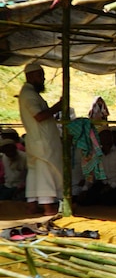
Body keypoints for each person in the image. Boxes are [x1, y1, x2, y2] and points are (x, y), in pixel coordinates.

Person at [18, 63, 64, 215]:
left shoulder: (29, 92)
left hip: (36, 141)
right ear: (29, 76)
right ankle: (47, 207)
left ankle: (32, 204)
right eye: (40, 76)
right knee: (45, 172)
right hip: (42, 142)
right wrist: (57, 107)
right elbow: (39, 116)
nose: (43, 79)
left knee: (36, 172)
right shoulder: (29, 94)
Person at [77, 129, 116, 206]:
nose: (106, 140)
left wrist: (111, 185)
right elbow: (91, 173)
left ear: (112, 138)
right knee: (84, 200)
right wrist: (85, 188)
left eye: (108, 137)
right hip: (102, 183)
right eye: (103, 138)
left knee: (108, 200)